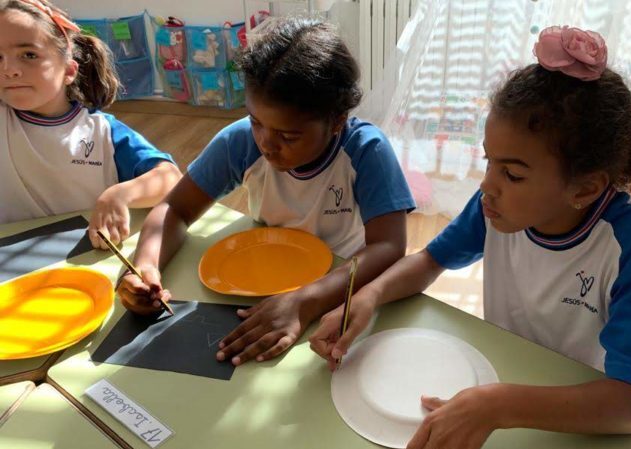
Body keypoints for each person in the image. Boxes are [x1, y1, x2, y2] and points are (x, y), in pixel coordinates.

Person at [310, 26, 631, 448]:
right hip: (504, 380)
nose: (488, 185)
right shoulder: (497, 206)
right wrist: (369, 297)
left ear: (585, 189)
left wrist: (498, 405)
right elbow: (430, 260)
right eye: (489, 162)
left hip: (577, 413)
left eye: (513, 173)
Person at [117, 17, 415, 366]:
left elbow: (389, 245)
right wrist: (143, 267)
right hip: (262, 278)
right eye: (256, 121)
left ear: (337, 121)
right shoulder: (240, 141)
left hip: (340, 285)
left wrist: (306, 301)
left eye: (288, 136)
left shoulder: (366, 151)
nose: (267, 144)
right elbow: (175, 209)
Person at [0, 0, 181, 249]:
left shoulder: (102, 131)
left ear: (69, 71)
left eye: (29, 55)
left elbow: (169, 177)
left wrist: (120, 195)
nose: (8, 69)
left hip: (86, 258)